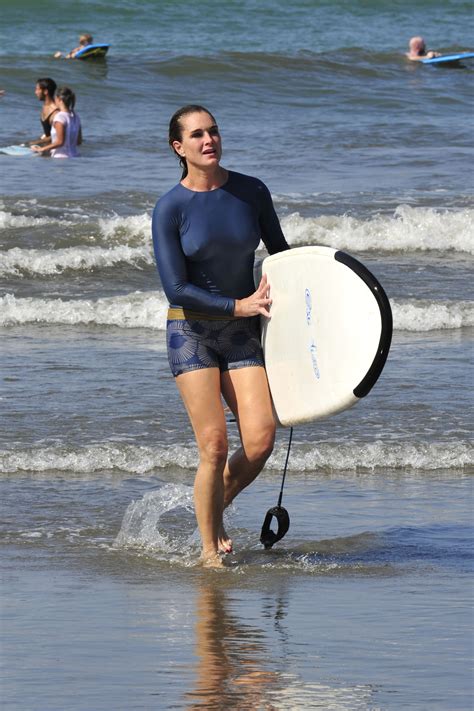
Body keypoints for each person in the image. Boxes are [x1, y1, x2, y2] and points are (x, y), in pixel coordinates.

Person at [152, 105, 290, 567]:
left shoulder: (251, 191)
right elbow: (175, 287)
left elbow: (283, 256)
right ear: (180, 147)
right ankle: (210, 550)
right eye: (197, 135)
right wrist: (239, 304)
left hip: (242, 331)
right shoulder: (170, 207)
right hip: (190, 331)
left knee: (260, 441)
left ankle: (211, 512)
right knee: (213, 443)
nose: (208, 140)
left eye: (213, 131)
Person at [31, 86, 82, 157]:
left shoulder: (60, 117)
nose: (54, 100)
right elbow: (78, 141)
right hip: (75, 156)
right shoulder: (76, 117)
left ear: (60, 99)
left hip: (60, 159)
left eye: (55, 98)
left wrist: (42, 149)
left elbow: (60, 142)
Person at [28, 78, 58, 147]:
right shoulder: (45, 106)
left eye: (37, 89)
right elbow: (49, 133)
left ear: (45, 91)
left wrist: (37, 142)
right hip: (47, 146)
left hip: (54, 150)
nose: (35, 92)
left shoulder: (55, 112)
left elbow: (58, 136)